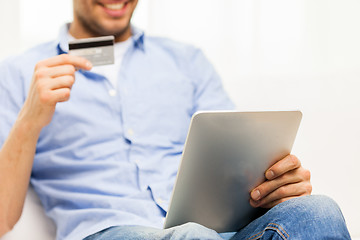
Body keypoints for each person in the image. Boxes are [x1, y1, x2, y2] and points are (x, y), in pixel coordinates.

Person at [0, 0, 351, 239]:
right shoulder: (19, 75)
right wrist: (30, 120)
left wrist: (273, 184)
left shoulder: (187, 61)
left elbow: (239, 162)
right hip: (112, 229)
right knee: (193, 235)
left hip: (217, 231)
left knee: (317, 211)